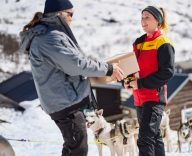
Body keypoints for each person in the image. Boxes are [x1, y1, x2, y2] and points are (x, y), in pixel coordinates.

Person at [19, 0, 124, 155]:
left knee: (74, 146)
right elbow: (76, 65)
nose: (72, 18)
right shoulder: (50, 38)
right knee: (78, 148)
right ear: (59, 13)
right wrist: (107, 69)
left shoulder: (50, 35)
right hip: (65, 103)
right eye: (71, 14)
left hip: (63, 100)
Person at [124, 6, 175, 156]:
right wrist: (128, 81)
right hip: (139, 98)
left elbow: (167, 72)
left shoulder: (163, 43)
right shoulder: (139, 42)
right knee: (154, 137)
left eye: (147, 17)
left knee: (144, 139)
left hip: (154, 98)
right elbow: (132, 67)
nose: (143, 20)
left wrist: (140, 83)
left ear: (157, 21)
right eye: (142, 17)